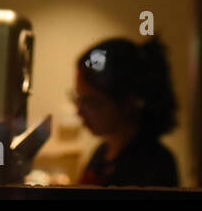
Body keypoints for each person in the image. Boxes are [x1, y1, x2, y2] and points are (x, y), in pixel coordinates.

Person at [72, 36, 180, 187]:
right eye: (78, 99)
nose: (79, 112)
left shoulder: (153, 164)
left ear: (128, 102)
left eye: (91, 102)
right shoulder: (102, 153)